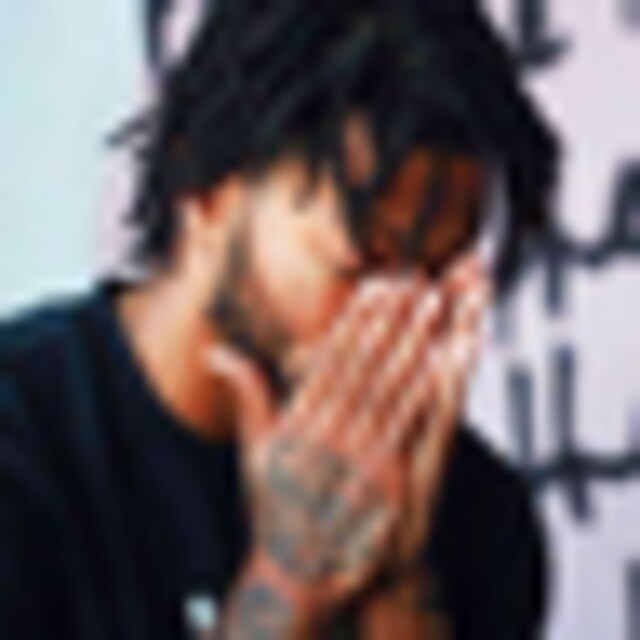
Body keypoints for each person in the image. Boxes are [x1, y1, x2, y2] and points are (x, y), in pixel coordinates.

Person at [0, 0, 560, 637]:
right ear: (203, 187)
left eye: (438, 282)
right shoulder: (25, 446)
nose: (402, 325)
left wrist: (397, 584)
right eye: (362, 269)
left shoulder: (478, 513)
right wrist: (291, 582)